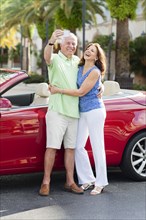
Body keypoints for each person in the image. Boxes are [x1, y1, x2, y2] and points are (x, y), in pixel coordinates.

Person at [50, 43, 109, 195]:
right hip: (82, 111)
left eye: (92, 51)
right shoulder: (78, 66)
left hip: (95, 110)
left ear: (97, 57)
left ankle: (101, 182)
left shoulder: (95, 71)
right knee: (78, 146)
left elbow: (81, 92)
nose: (88, 51)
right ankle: (87, 179)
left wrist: (58, 91)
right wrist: (102, 86)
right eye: (88, 49)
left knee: (97, 146)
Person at [39, 29, 84, 196]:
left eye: (73, 43)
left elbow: (90, 76)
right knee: (52, 147)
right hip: (57, 110)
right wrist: (51, 40)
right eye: (68, 43)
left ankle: (70, 181)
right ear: (61, 44)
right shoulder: (56, 58)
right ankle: (46, 182)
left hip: (74, 112)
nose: (71, 46)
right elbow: (47, 56)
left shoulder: (79, 61)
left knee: (70, 149)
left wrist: (100, 86)